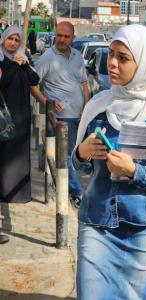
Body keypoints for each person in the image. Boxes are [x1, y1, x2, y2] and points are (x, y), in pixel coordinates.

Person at [72, 24, 146, 299]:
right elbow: (80, 166)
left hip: (144, 230)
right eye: (111, 54)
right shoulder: (98, 106)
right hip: (97, 223)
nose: (112, 63)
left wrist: (136, 171)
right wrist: (82, 153)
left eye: (123, 58)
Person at [35, 21, 90, 207]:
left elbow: (84, 84)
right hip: (60, 119)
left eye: (66, 36)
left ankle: (73, 189)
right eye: (59, 35)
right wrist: (47, 102)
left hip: (79, 117)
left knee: (76, 156)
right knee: (65, 157)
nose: (62, 39)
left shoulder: (77, 56)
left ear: (73, 38)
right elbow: (32, 84)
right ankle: (76, 194)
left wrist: (87, 108)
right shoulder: (47, 58)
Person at [0, 26, 44, 203]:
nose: (13, 43)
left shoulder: (22, 58)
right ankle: (5, 194)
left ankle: (21, 194)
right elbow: (2, 84)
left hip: (23, 115)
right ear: (3, 39)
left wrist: (24, 65)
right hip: (7, 116)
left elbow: (35, 80)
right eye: (10, 39)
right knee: (6, 155)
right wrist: (13, 66)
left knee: (21, 155)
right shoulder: (1, 59)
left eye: (17, 40)